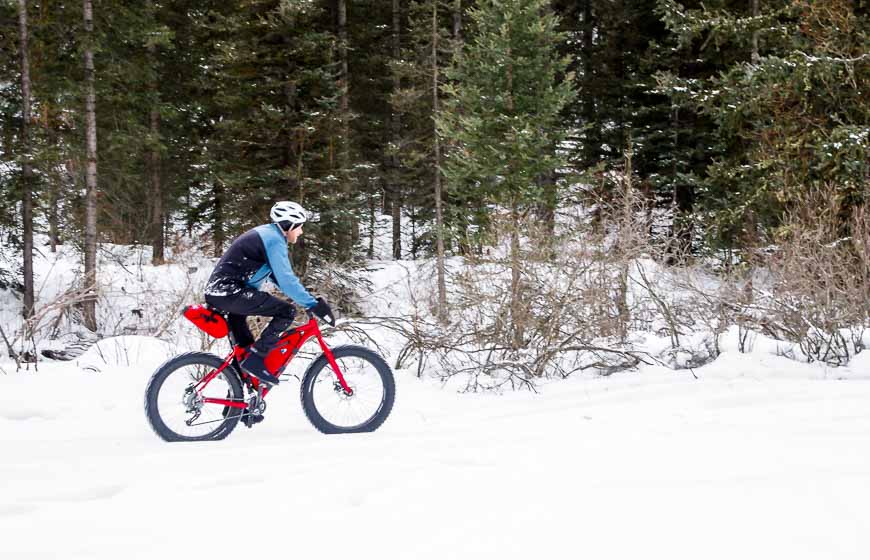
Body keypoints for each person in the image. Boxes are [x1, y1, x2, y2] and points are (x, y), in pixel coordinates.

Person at [204, 201, 332, 385]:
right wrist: (312, 304)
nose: (301, 232)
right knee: (286, 311)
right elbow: (286, 280)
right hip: (229, 292)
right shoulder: (274, 239)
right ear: (290, 225)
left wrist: (307, 299)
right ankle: (257, 359)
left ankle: (240, 406)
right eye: (300, 227)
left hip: (224, 293)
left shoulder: (266, 234)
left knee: (244, 354)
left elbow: (277, 278)